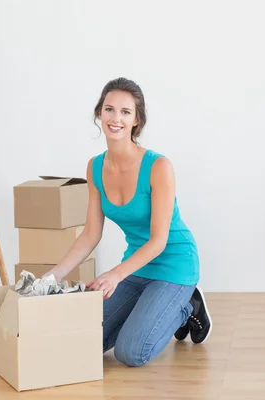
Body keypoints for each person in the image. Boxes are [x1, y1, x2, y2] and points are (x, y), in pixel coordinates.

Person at [44, 77, 212, 366]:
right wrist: (54, 275)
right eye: (109, 109)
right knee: (85, 343)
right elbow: (90, 233)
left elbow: (159, 240)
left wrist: (114, 275)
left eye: (125, 112)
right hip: (135, 266)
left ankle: (187, 305)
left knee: (131, 353)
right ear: (99, 113)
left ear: (137, 121)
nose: (115, 118)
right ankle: (148, 312)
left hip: (173, 263)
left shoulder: (158, 166)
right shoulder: (95, 166)